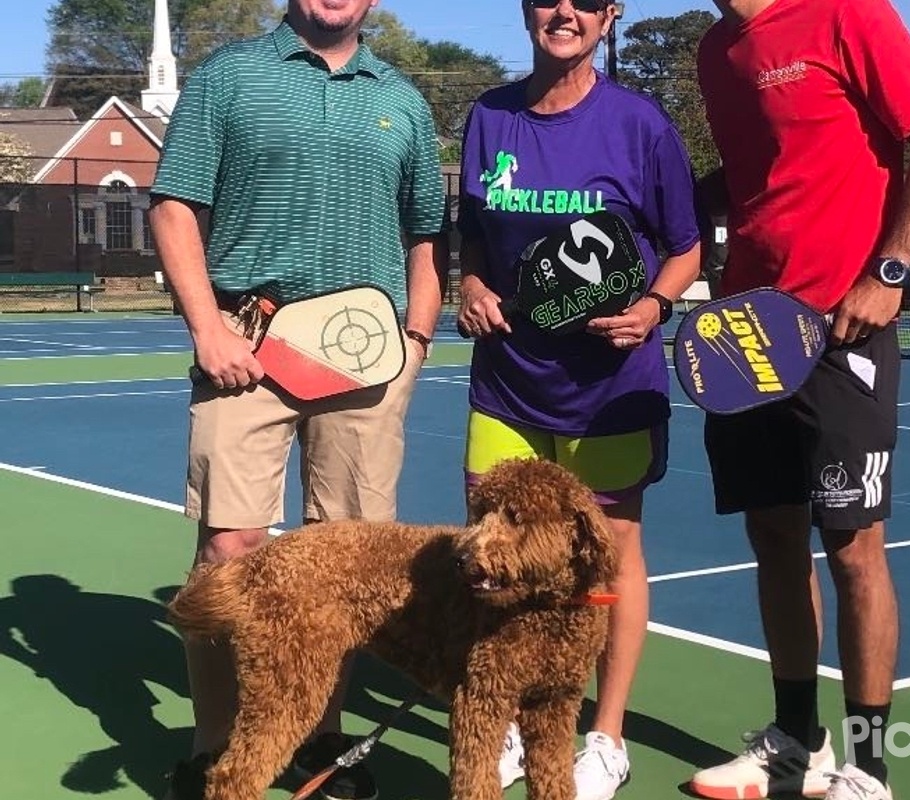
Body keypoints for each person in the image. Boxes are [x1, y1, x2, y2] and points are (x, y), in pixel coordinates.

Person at [148, 1, 448, 799]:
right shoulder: (228, 76)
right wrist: (208, 327)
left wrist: (415, 343)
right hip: (247, 343)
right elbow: (175, 205)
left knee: (342, 567)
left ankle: (320, 743)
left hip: (367, 358)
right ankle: (218, 748)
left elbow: (426, 238)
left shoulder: (403, 101)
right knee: (227, 554)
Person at [686, 1, 910, 799]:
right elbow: (757, 173)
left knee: (853, 550)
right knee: (773, 537)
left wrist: (889, 270)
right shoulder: (717, 50)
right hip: (745, 335)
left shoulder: (847, 12)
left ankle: (868, 770)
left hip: (843, 331)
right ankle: (794, 743)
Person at [455, 2, 702, 798]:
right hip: (506, 387)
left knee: (610, 562)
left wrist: (656, 306)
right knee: (494, 564)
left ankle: (606, 735)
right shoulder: (488, 117)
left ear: (609, 15)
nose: (566, 10)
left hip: (610, 395)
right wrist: (470, 283)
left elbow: (683, 246)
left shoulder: (640, 124)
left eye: (586, 0)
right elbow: (474, 238)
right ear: (526, 10)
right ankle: (509, 726)